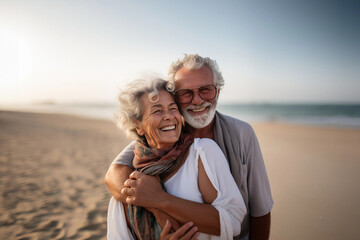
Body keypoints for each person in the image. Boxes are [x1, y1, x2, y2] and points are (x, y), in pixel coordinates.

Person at [105, 54, 273, 239]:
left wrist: (159, 200)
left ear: (217, 91)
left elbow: (260, 207)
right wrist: (153, 206)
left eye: (206, 90)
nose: (198, 100)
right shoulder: (162, 138)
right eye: (186, 93)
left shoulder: (240, 133)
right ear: (176, 97)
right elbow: (115, 173)